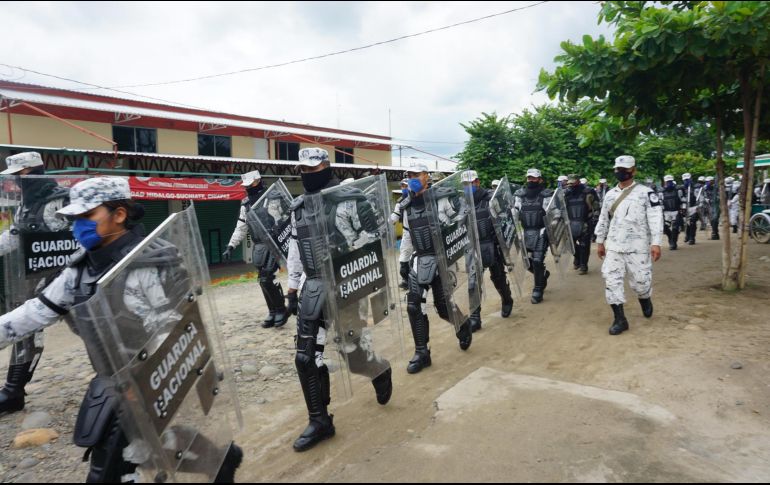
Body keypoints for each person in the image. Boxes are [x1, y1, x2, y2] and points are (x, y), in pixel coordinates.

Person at [0, 177, 243, 482]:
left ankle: (219, 460)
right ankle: (221, 459)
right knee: (142, 450)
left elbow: (176, 328)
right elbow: (37, 311)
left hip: (155, 379)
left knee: (109, 469)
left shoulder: (152, 260)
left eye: (87, 216)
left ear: (119, 214)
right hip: (112, 381)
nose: (78, 226)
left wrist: (150, 378)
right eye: (74, 219)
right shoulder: (80, 270)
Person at [286, 148, 393, 452]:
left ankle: (378, 369)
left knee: (352, 354)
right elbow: (295, 249)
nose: (308, 174)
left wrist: (354, 264)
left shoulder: (350, 199)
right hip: (313, 288)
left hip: (347, 284)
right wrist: (292, 288)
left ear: (326, 166)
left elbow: (375, 241)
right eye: (303, 170)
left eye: (313, 168)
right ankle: (320, 421)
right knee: (306, 357)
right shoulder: (299, 208)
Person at [0, 152, 71, 415]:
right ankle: (13, 391)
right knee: (27, 330)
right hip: (36, 279)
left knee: (93, 330)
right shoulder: (26, 205)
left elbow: (77, 238)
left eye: (19, 176)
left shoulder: (62, 199)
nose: (16, 183)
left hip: (70, 279)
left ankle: (119, 382)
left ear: (31, 172)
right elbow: (16, 236)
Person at [401, 162, 474, 374]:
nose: (413, 178)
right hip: (420, 259)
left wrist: (451, 235)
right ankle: (422, 352)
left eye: (417, 174)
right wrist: (403, 261)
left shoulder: (442, 199)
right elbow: (407, 235)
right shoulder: (407, 205)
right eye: (410, 175)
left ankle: (462, 324)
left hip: (442, 259)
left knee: (443, 307)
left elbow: (461, 220)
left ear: (426, 176)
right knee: (414, 305)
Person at [594, 155, 663, 335]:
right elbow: (603, 218)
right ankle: (620, 319)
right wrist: (600, 241)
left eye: (625, 170)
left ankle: (644, 297)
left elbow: (655, 218)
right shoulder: (610, 195)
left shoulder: (646, 193)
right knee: (611, 280)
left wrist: (656, 243)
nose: (621, 172)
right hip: (614, 245)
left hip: (638, 246)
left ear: (633, 171)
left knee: (641, 282)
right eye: (618, 169)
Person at [222, 171, 288, 329]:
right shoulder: (246, 204)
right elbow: (241, 227)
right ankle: (272, 311)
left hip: (274, 243)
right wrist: (231, 246)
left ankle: (281, 309)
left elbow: (286, 219)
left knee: (266, 278)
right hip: (258, 245)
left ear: (258, 181)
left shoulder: (273, 196)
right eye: (246, 185)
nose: (247, 188)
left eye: (250, 184)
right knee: (262, 280)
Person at [463, 171, 514, 332]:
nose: (467, 187)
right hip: (473, 247)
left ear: (477, 182)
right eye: (465, 184)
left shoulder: (491, 199)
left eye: (470, 183)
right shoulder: (462, 203)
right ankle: (474, 317)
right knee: (473, 282)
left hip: (491, 244)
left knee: (498, 277)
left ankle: (507, 299)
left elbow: (505, 217)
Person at [513, 169, 557, 304]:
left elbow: (555, 212)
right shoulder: (520, 195)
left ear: (540, 179)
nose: (531, 180)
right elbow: (515, 211)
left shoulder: (546, 195)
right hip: (525, 232)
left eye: (534, 178)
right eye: (529, 178)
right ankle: (543, 274)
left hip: (541, 231)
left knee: (537, 260)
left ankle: (538, 290)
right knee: (527, 263)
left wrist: (552, 225)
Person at [564, 174, 599, 275]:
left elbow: (596, 206)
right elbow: (561, 208)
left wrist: (595, 218)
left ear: (578, 181)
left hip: (585, 222)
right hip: (570, 223)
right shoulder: (565, 193)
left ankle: (583, 265)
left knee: (584, 245)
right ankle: (578, 257)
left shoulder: (588, 191)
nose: (571, 185)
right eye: (570, 183)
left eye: (573, 182)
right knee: (570, 244)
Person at [390, 178, 413, 289]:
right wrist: (387, 223)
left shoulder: (417, 198)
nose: (404, 188)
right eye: (402, 186)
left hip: (420, 230)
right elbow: (394, 217)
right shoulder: (400, 202)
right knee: (404, 256)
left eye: (406, 186)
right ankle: (406, 280)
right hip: (407, 232)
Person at [661, 175, 684, 250]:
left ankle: (673, 243)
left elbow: (683, 200)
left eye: (670, 181)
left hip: (676, 211)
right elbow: (660, 202)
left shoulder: (678, 190)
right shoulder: (661, 192)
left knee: (675, 227)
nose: (669, 183)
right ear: (665, 182)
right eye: (667, 182)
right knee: (665, 228)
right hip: (666, 212)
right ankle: (671, 237)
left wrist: (683, 209)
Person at [681, 173, 699, 245]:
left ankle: (692, 238)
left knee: (692, 222)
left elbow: (699, 197)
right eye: (685, 180)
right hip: (684, 207)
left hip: (693, 207)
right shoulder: (681, 189)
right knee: (686, 223)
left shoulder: (695, 188)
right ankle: (687, 235)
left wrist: (698, 206)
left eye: (688, 179)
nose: (686, 181)